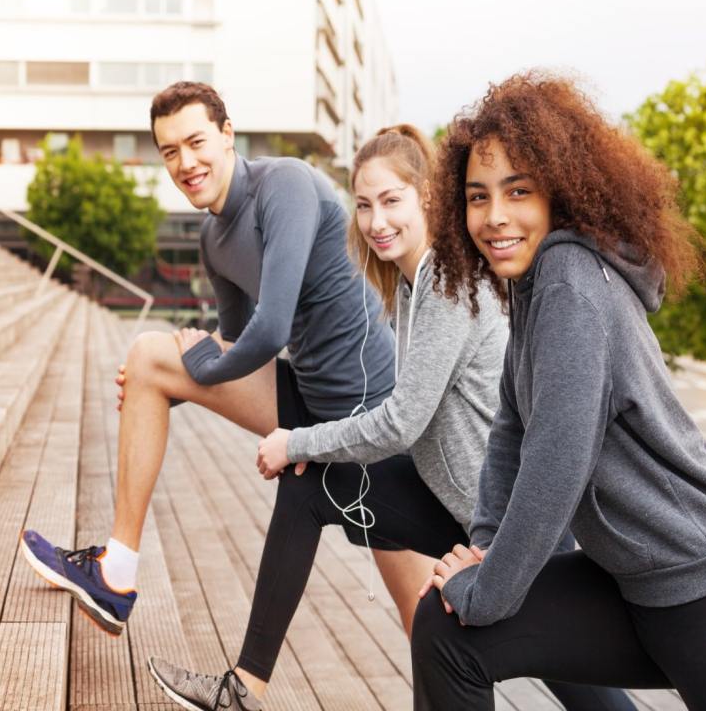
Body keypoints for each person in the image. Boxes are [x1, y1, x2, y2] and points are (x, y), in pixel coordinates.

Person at [147, 125, 636, 711]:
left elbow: (401, 423)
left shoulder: (453, 285)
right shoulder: (411, 285)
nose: (376, 221)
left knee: (587, 694)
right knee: (311, 492)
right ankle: (244, 689)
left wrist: (297, 441)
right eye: (363, 206)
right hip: (457, 504)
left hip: (512, 524)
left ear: (426, 198)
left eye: (391, 201)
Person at [412, 72, 706, 711]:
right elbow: (511, 435)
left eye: (518, 191)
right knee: (446, 631)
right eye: (477, 196)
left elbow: (559, 459)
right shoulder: (532, 288)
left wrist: (487, 591)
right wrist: (484, 551)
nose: (494, 217)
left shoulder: (570, 282)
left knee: (464, 616)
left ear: (559, 193)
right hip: (639, 594)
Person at [18, 81, 425, 638]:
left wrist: (198, 372)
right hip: (306, 400)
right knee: (148, 358)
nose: (186, 162)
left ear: (227, 135)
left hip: (371, 420)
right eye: (169, 151)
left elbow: (270, 327)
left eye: (196, 141)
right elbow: (235, 343)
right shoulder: (213, 237)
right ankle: (116, 573)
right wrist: (162, 386)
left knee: (428, 623)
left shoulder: (285, 186)